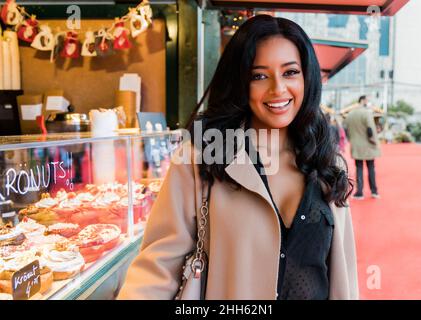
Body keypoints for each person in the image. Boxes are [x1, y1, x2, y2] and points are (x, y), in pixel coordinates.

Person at [118, 15, 358, 300]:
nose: (278, 89)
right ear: (241, 83)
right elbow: (158, 266)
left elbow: (344, 275)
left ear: (307, 76)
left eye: (290, 72)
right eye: (259, 76)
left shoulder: (327, 162)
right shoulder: (204, 156)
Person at [344, 95, 381, 200]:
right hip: (368, 144)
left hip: (356, 144)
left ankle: (359, 192)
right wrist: (373, 140)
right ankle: (374, 191)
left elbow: (345, 127)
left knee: (359, 168)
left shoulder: (350, 114)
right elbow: (370, 128)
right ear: (363, 101)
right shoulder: (367, 113)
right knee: (371, 167)